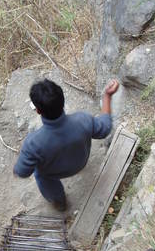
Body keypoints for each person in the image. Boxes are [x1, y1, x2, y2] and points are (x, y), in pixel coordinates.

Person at [13, 78, 119, 211]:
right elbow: (105, 128)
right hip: (80, 162)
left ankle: (59, 201)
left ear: (38, 111)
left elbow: (22, 172)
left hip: (52, 173)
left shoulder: (33, 143)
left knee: (40, 175)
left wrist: (16, 171)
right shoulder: (83, 120)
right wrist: (107, 96)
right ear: (63, 101)